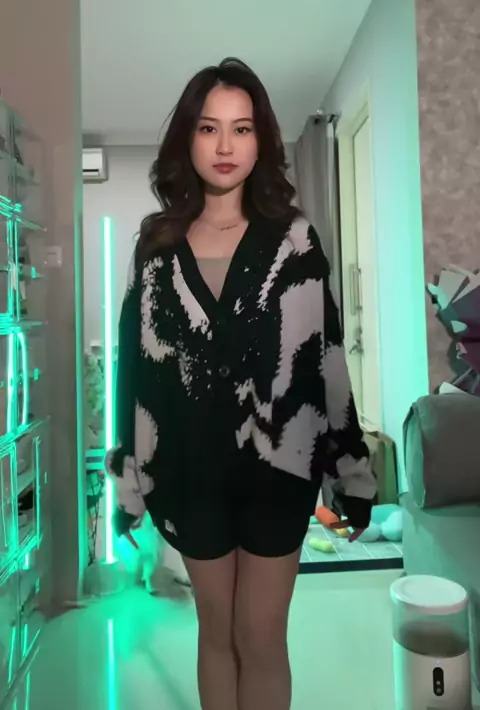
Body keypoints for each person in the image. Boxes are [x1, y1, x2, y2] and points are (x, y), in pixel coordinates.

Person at [107, 58, 376, 710]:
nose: (225, 145)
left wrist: (350, 468)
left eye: (242, 128)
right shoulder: (157, 245)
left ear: (261, 141)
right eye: (209, 128)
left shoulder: (295, 240)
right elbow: (133, 365)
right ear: (188, 139)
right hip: (188, 472)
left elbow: (325, 356)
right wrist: (130, 478)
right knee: (218, 634)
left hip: (279, 470)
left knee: (261, 637)